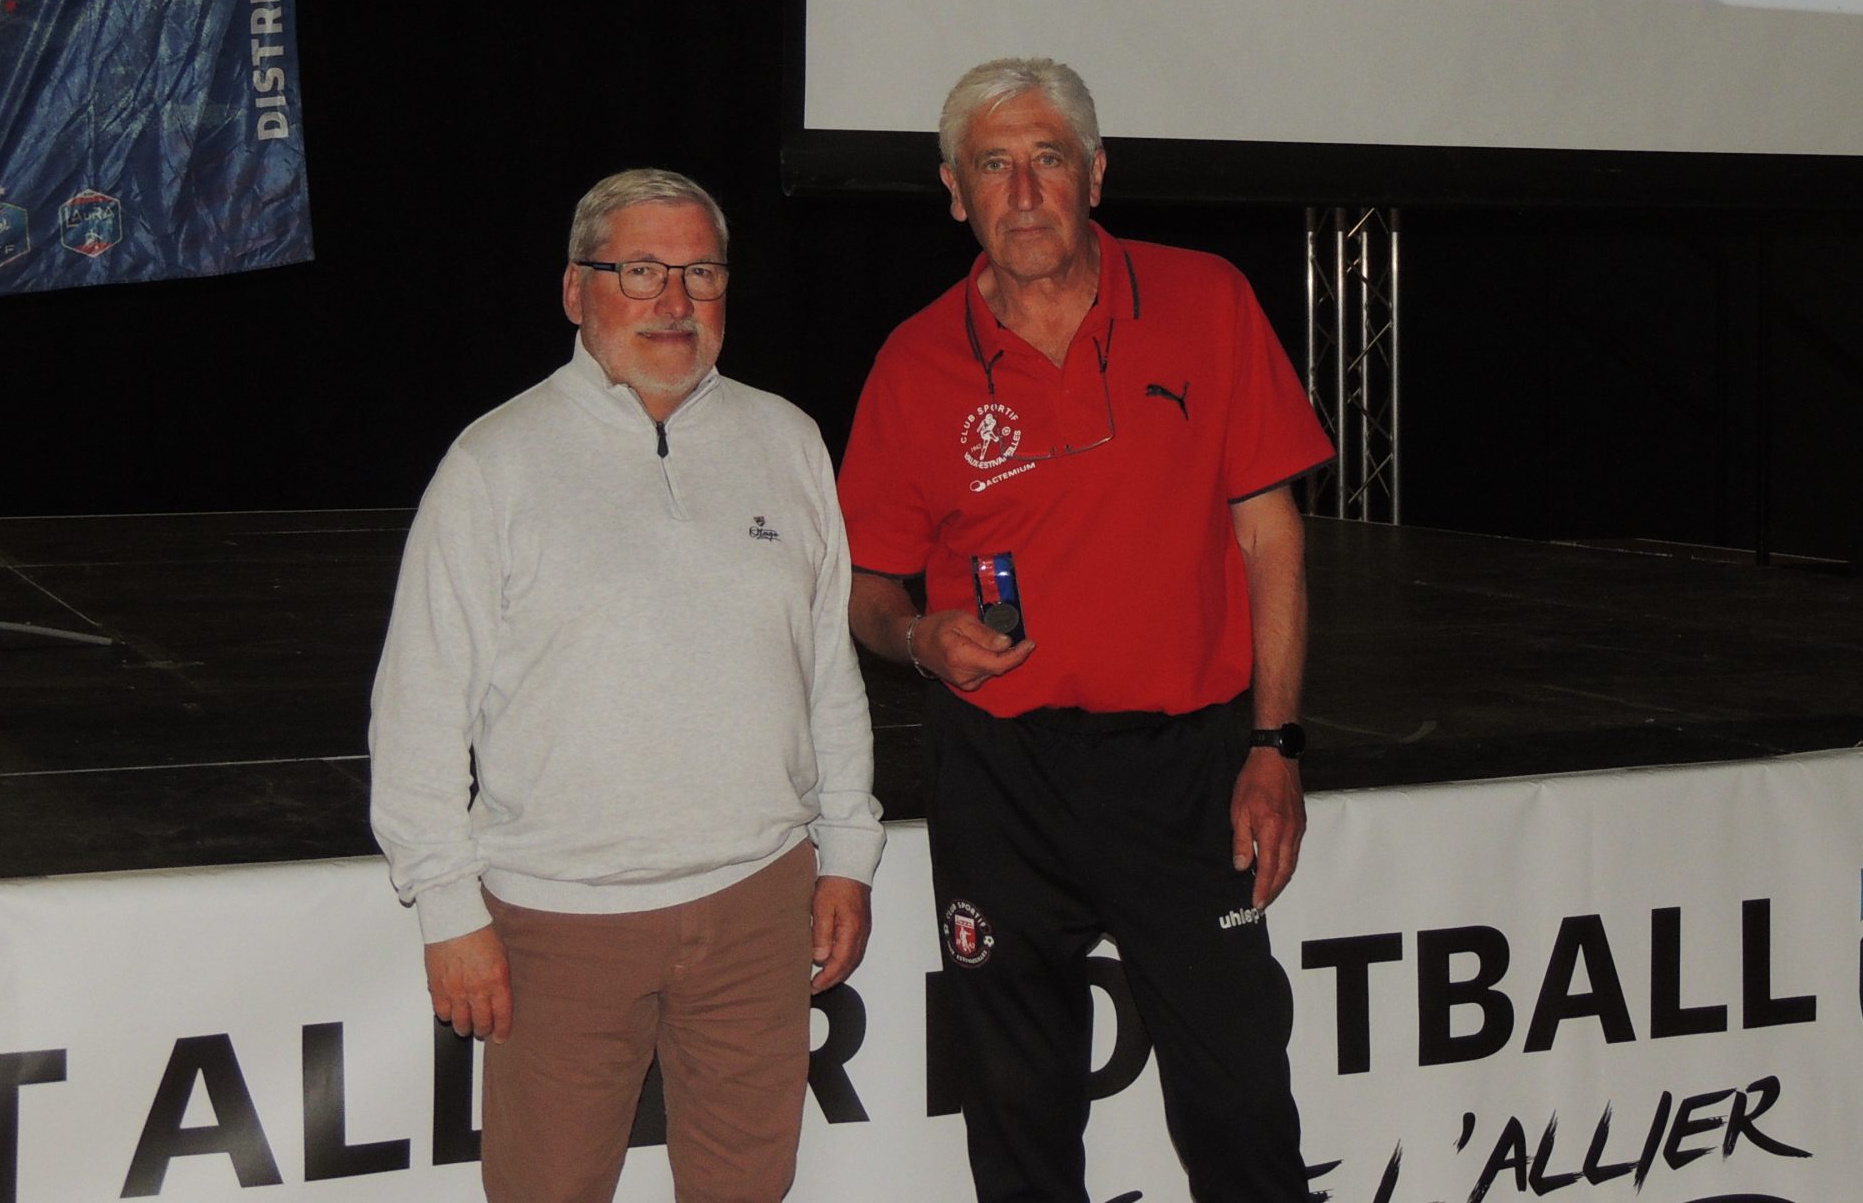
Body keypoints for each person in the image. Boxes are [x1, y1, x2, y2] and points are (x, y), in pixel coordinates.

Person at [840, 58, 1332, 1203]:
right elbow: (866, 590)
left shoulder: (1206, 300)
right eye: (993, 166)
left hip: (1185, 771)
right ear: (954, 192)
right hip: (997, 776)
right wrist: (919, 639)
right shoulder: (915, 362)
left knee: (1241, 1107)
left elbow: (1271, 543)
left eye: (1047, 159)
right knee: (1017, 1112)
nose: (1023, 193)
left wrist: (1275, 746)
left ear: (1095, 175)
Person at [369, 168, 882, 1203]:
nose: (675, 301)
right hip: (561, 926)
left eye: (701, 273)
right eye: (640, 271)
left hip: (758, 907)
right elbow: (419, 705)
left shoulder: (787, 440)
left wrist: (849, 854)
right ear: (576, 290)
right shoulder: (494, 463)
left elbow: (827, 670)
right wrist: (446, 907)